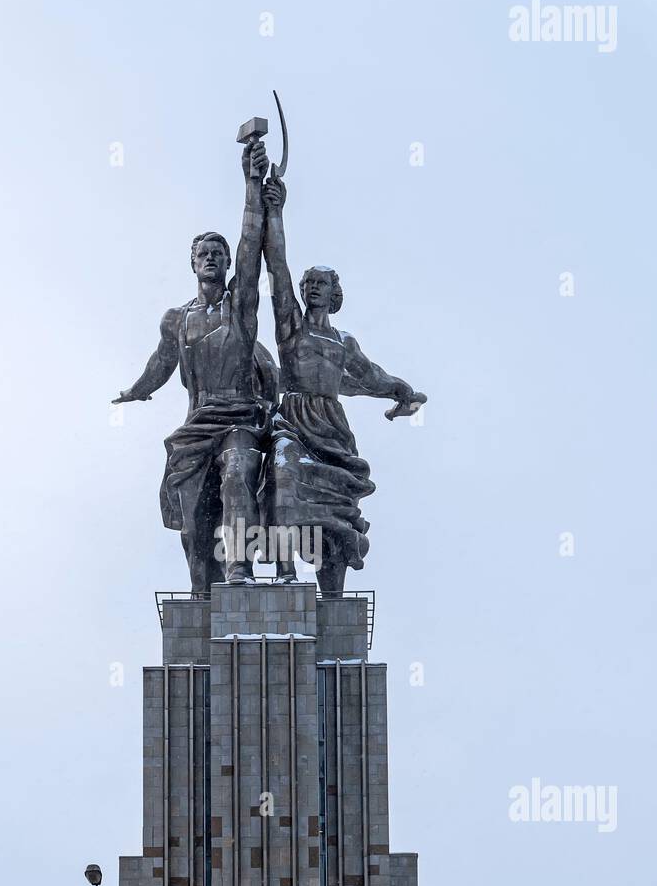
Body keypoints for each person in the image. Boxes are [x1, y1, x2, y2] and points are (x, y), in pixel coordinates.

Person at [113, 138, 278, 593]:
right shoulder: (177, 319)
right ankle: (201, 592)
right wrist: (138, 389)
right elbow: (162, 362)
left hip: (239, 417)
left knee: (238, 472)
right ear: (192, 263)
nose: (211, 258)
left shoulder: (241, 307)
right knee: (191, 523)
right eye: (203, 253)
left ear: (227, 265)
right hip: (196, 422)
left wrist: (251, 184)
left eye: (218, 254)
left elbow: (250, 245)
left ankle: (239, 571)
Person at [260, 175, 426, 592]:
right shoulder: (291, 327)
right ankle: (285, 575)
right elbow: (276, 265)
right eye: (309, 282)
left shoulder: (342, 342)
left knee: (336, 512)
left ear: (335, 293)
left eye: (322, 283)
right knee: (283, 475)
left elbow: (369, 377)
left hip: (332, 428)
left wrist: (400, 390)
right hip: (293, 421)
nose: (313, 287)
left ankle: (332, 588)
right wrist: (275, 213)